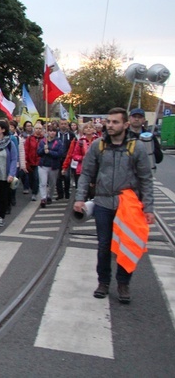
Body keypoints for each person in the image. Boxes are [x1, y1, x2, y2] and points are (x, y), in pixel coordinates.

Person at [73, 107, 154, 304]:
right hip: (102, 202)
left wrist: (148, 207)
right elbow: (86, 173)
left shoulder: (137, 147)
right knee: (103, 246)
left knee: (126, 245)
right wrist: (80, 197)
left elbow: (146, 179)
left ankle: (123, 283)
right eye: (108, 122)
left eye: (115, 122)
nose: (110, 125)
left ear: (125, 125)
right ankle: (103, 282)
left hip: (127, 204)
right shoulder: (98, 146)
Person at [128, 107, 163, 172]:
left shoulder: (149, 136)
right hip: (126, 173)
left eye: (140, 117)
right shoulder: (122, 134)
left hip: (144, 173)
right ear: (129, 118)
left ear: (144, 120)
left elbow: (159, 158)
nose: (136, 119)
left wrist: (150, 148)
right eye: (134, 116)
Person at [37, 124, 64, 207]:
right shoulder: (43, 141)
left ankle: (49, 196)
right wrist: (43, 150)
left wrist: (49, 152)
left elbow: (60, 154)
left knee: (52, 183)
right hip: (43, 165)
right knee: (43, 183)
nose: (52, 133)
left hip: (53, 166)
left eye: (53, 131)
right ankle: (43, 198)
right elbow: (38, 153)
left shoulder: (59, 142)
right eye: (50, 131)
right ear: (47, 132)